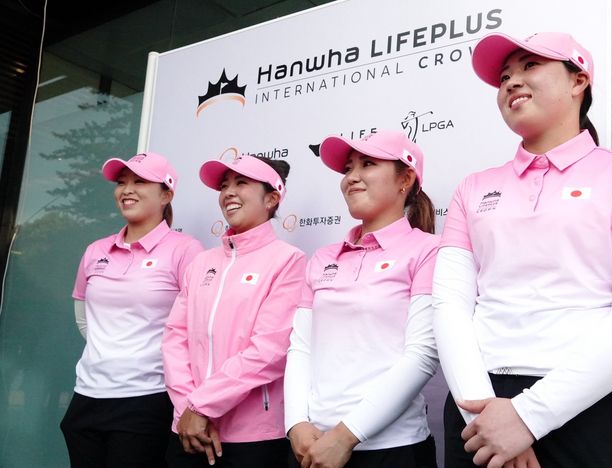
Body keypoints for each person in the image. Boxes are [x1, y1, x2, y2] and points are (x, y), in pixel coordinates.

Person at [433, 31, 612, 468]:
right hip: (478, 406)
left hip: (593, 403)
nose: (512, 81)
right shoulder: (473, 188)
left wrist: (528, 418)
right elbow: (449, 306)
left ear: (578, 80)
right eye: (504, 76)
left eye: (530, 66)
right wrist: (484, 417)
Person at [285, 129, 440, 468]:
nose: (351, 178)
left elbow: (422, 355)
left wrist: (345, 436)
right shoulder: (322, 258)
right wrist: (296, 424)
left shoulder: (428, 251)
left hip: (393, 449)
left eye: (367, 164)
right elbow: (301, 348)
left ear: (405, 179)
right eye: (348, 168)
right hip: (312, 445)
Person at [61, 152, 204, 468]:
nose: (126, 190)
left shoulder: (185, 250)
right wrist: (114, 351)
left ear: (166, 195)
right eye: (121, 182)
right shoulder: (95, 251)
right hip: (87, 396)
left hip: (148, 398)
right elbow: (85, 319)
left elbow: (196, 327)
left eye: (139, 182)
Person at [162, 154, 306, 467]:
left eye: (241, 183)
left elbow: (270, 351)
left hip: (252, 439)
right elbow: (175, 338)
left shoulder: (288, 260)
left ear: (271, 198)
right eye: (224, 185)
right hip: (189, 430)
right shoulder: (202, 262)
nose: (228, 192)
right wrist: (187, 408)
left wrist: (202, 406)